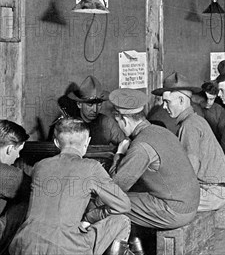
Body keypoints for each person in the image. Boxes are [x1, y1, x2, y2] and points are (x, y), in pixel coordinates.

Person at [10, 118, 131, 255]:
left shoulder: (40, 165)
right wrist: (89, 218)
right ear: (88, 142)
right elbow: (123, 205)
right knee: (122, 220)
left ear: (56, 142)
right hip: (66, 248)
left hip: (24, 245)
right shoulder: (91, 167)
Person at [109, 89, 200, 230]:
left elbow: (115, 189)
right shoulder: (161, 131)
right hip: (189, 204)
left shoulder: (140, 147)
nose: (119, 127)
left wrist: (119, 154)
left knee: (108, 204)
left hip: (174, 211)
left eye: (118, 123)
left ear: (125, 120)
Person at [153, 72, 225, 212]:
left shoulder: (189, 126)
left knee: (155, 202)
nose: (164, 107)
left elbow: (190, 170)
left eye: (167, 102)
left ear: (182, 101)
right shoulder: (195, 120)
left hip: (210, 193)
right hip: (214, 190)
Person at [67, 75, 126, 148]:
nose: (95, 110)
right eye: (90, 104)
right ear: (79, 104)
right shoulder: (68, 125)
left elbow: (125, 143)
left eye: (99, 104)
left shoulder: (107, 123)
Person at [0, 120, 29, 255]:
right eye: (18, 151)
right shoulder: (10, 175)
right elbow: (37, 187)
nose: (17, 157)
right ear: (9, 149)